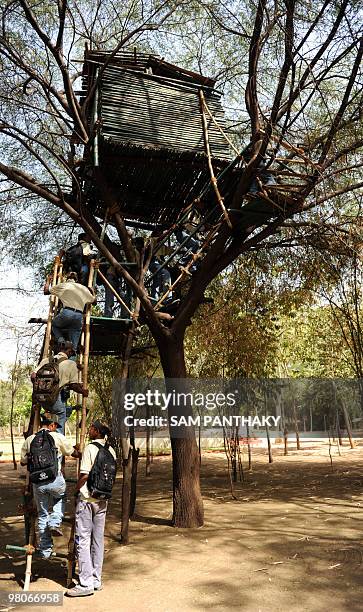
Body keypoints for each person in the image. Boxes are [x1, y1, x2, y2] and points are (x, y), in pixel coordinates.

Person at [66, 421, 117, 597]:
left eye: (91, 429)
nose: (89, 431)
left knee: (83, 540)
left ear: (96, 431)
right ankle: (96, 580)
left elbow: (85, 474)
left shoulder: (90, 448)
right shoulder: (111, 450)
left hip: (87, 499)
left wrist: (75, 491)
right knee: (98, 540)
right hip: (103, 499)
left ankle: (85, 583)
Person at [20, 418, 81, 559]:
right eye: (55, 426)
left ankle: (45, 550)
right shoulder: (58, 437)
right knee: (60, 497)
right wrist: (79, 451)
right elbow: (73, 453)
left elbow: (23, 462)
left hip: (38, 484)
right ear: (52, 425)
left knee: (42, 515)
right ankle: (55, 522)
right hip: (55, 480)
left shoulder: (30, 440)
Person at [32, 341, 88, 434]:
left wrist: (41, 389)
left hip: (42, 400)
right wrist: (83, 392)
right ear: (69, 351)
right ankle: (57, 442)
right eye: (71, 353)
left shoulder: (46, 360)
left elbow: (33, 376)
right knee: (60, 416)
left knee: (56, 415)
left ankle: (45, 438)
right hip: (55, 399)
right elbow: (74, 385)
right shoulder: (71, 363)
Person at [44, 271, 96, 353]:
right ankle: (72, 359)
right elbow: (94, 301)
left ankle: (61, 342)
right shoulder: (83, 288)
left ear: (67, 278)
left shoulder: (63, 285)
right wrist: (92, 291)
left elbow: (46, 291)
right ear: (76, 280)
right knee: (73, 348)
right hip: (79, 316)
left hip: (67, 313)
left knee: (54, 325)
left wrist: (48, 281)